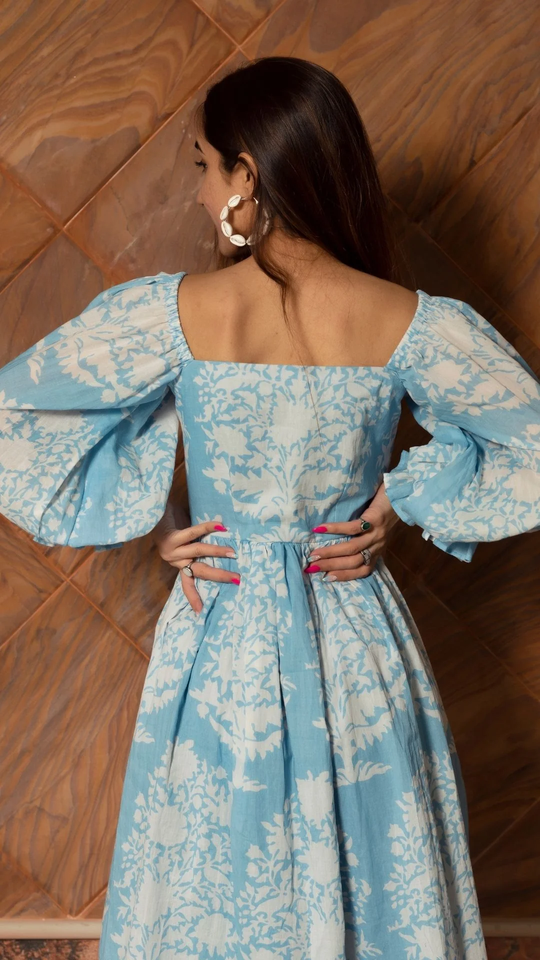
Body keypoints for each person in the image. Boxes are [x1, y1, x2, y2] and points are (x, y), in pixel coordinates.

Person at [1, 56, 539, 960]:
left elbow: (16, 415)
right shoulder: (407, 319)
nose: (198, 187)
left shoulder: (174, 313)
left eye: (204, 164)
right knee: (375, 867)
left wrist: (161, 518)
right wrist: (399, 501)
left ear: (248, 176)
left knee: (217, 871)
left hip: (223, 634)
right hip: (355, 634)